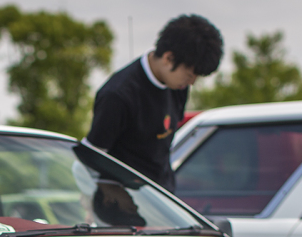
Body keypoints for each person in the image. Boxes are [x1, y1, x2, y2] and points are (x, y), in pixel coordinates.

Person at [84, 14, 223, 192]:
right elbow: (90, 158)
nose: (192, 82)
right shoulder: (118, 95)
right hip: (121, 204)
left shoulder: (177, 86)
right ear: (168, 58)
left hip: (162, 198)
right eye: (190, 75)